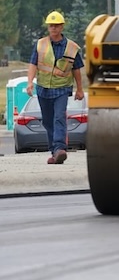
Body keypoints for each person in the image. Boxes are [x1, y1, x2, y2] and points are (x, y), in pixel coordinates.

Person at [25, 11, 85, 165]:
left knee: (59, 117)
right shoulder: (40, 44)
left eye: (56, 25)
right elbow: (33, 64)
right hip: (43, 88)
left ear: (62, 26)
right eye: (51, 25)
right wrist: (30, 82)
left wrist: (79, 89)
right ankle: (55, 152)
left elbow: (77, 69)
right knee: (47, 121)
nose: (53, 28)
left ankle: (60, 148)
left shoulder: (71, 47)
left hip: (62, 89)